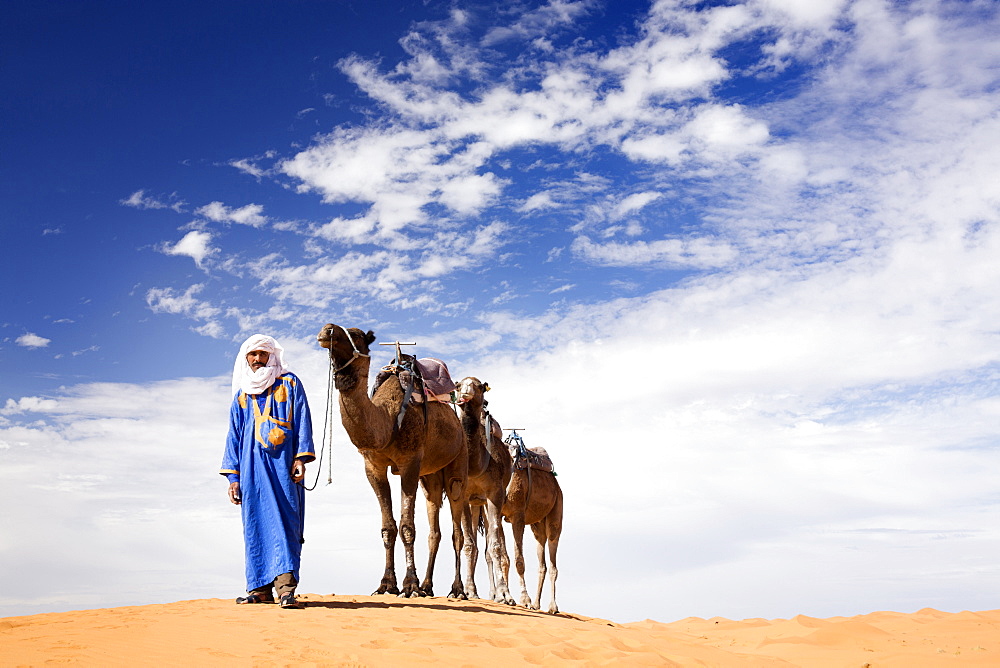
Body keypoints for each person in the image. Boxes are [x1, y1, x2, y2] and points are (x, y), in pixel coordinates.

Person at [220, 334, 315, 609]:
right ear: (246, 358)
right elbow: (234, 437)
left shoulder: (290, 383)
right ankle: (259, 589)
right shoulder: (242, 394)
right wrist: (233, 478)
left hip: (283, 467)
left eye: (263, 354)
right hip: (251, 471)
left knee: (286, 522)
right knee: (255, 525)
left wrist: (300, 458)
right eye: (253, 354)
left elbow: (302, 419)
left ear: (272, 356)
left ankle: (286, 589)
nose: (258, 359)